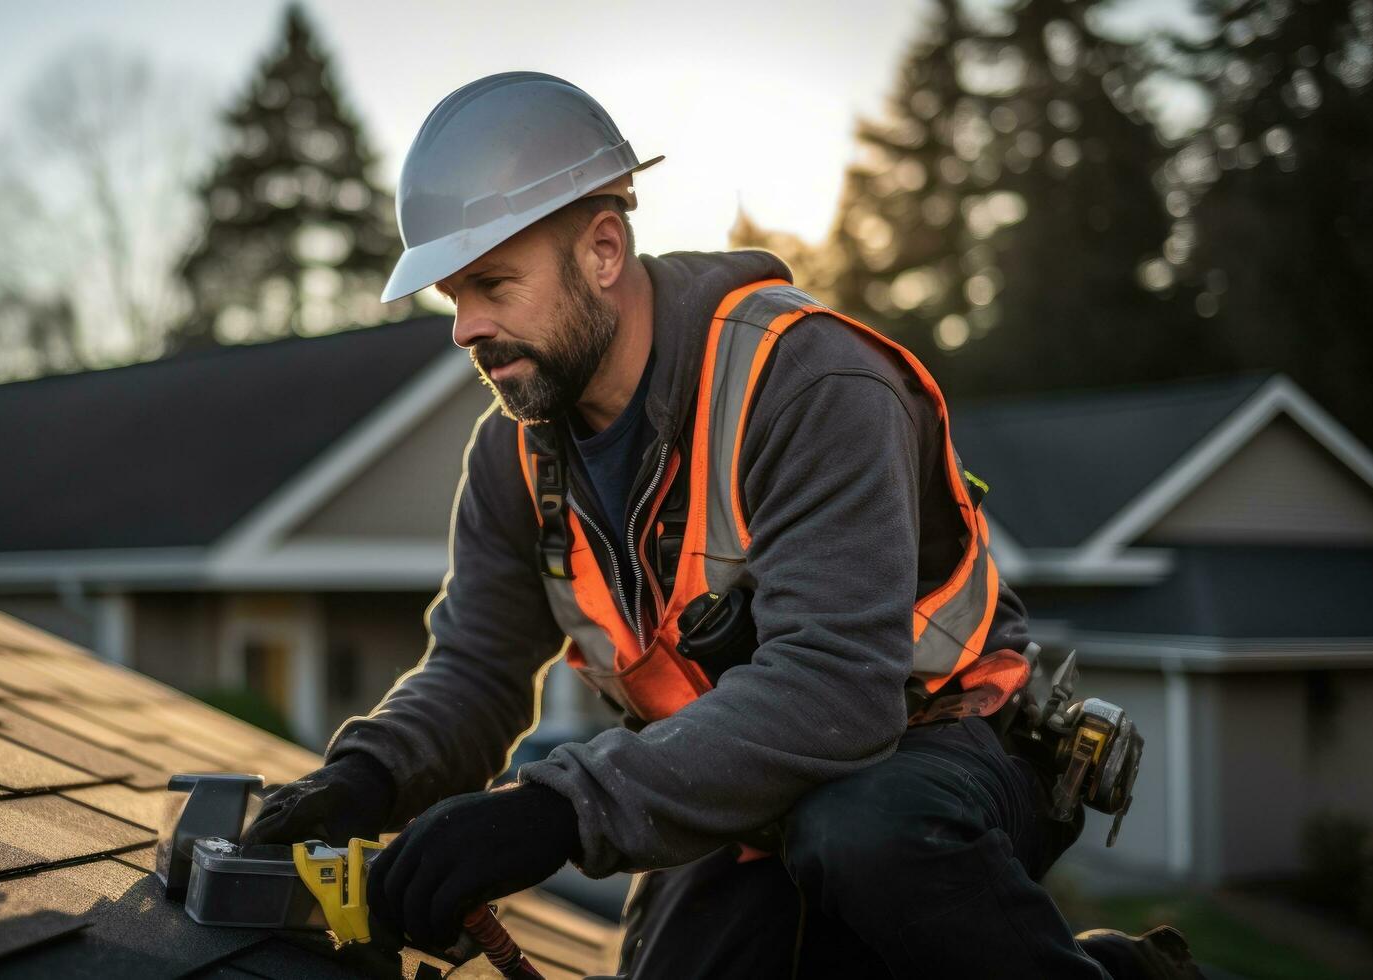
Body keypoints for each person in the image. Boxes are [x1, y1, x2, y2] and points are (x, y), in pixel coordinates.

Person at [243, 72, 1198, 980]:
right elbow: (478, 667)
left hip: (945, 744)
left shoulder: (809, 384)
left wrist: (548, 812)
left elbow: (834, 691)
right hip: (742, 783)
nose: (463, 329)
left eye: (492, 284)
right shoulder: (515, 456)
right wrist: (369, 775)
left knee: (863, 838)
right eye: (453, 298)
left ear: (603, 252)